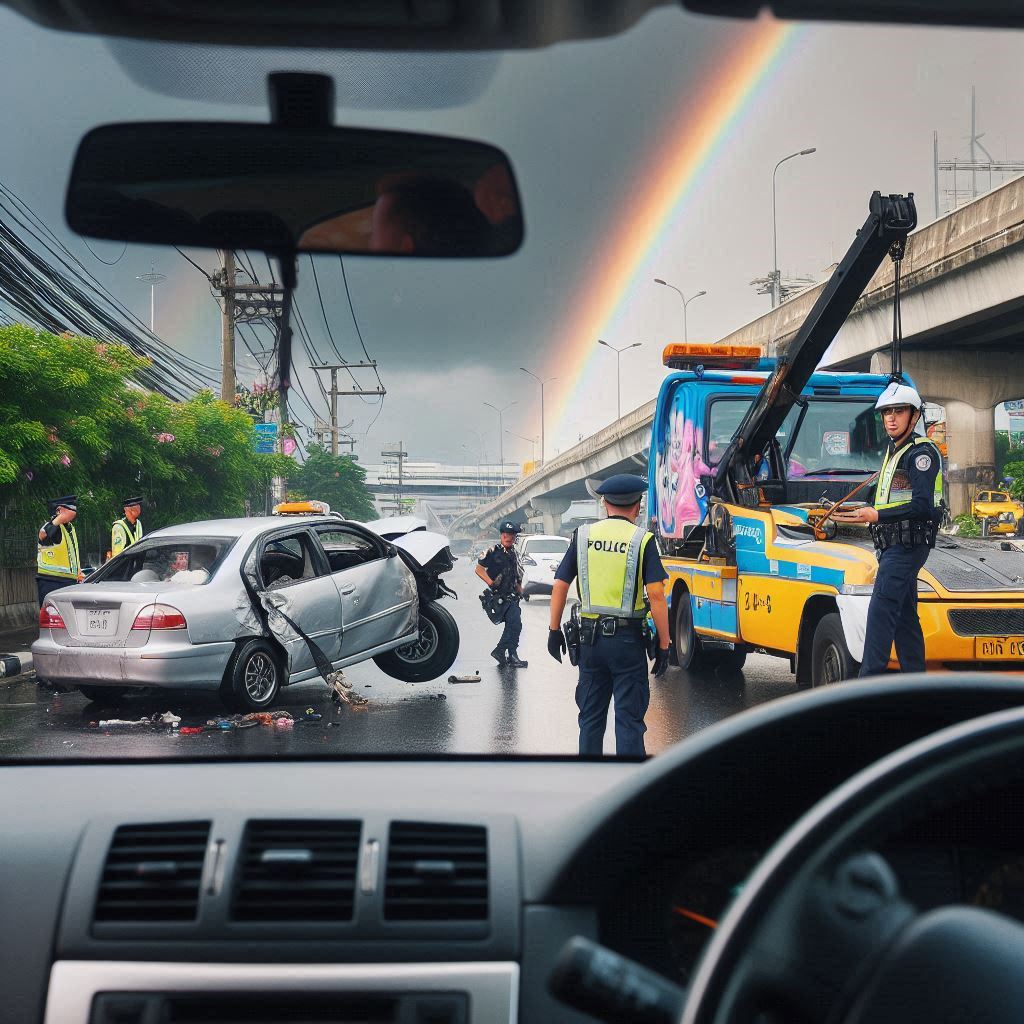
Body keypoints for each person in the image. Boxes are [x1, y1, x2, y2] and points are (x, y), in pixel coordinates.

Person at [547, 474, 671, 757]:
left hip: (589, 642)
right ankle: (629, 789)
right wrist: (664, 645)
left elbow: (560, 585)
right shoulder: (643, 540)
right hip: (628, 644)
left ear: (604, 503)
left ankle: (589, 783)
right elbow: (656, 595)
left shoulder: (582, 536)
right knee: (629, 720)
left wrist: (554, 631)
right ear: (638, 506)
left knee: (590, 720)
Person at [833, 382, 944, 676]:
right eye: (886, 413)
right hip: (892, 545)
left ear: (915, 415)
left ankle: (866, 692)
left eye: (899, 411)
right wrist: (856, 511)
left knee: (880, 614)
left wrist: (877, 515)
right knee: (905, 620)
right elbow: (885, 498)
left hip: (907, 546)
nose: (891, 418)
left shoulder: (921, 454)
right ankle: (915, 688)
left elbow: (921, 506)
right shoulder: (894, 452)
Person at [475, 520, 528, 668]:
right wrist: (491, 583)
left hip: (512, 596)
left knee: (514, 625)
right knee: (515, 624)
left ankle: (504, 653)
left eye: (511, 535)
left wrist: (522, 591)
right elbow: (479, 569)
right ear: (501, 535)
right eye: (505, 534)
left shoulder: (514, 554)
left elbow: (516, 577)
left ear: (515, 537)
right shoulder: (492, 551)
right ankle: (508, 654)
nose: (508, 537)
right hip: (498, 597)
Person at [37, 494, 84, 606]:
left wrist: (78, 573)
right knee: (53, 617)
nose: (74, 511)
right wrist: (59, 519)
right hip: (51, 581)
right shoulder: (50, 527)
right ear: (59, 510)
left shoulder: (70, 528)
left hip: (69, 581)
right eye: (70, 508)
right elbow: (45, 535)